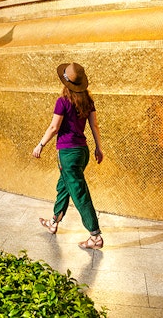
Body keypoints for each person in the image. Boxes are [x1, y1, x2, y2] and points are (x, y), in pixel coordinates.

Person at [32, 62, 104, 249]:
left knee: (79, 193)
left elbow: (54, 127)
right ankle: (54, 222)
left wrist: (40, 144)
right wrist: (98, 148)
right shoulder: (88, 101)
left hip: (68, 153)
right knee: (63, 186)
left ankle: (95, 236)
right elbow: (94, 126)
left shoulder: (62, 102)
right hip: (83, 152)